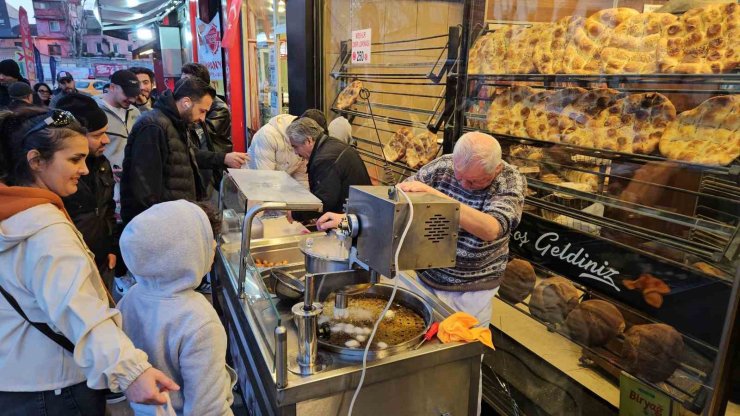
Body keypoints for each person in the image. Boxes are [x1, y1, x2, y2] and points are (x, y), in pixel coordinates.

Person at [0, 107, 179, 415]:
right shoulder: (46, 229)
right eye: (74, 159)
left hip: (17, 380)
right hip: (53, 388)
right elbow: (78, 306)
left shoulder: (12, 210)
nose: (84, 169)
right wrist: (132, 372)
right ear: (36, 161)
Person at [317, 132, 526, 325]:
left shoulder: (508, 180)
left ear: (496, 169)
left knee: (462, 348)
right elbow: (395, 199)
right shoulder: (443, 166)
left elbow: (491, 228)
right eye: (458, 175)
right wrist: (350, 219)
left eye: (473, 181)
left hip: (472, 289)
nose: (462, 183)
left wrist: (437, 197)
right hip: (427, 278)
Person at [118, 200, 237, 415]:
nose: (213, 246)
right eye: (207, 240)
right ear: (184, 251)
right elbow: (208, 409)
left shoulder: (131, 296)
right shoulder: (200, 320)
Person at [121, 77, 215, 225]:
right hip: (162, 225)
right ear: (186, 102)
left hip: (176, 217)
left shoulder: (177, 123)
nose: (203, 118)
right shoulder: (153, 126)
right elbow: (145, 189)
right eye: (202, 111)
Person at [56, 93, 119, 293]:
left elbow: (106, 209)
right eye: (97, 135)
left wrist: (110, 247)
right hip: (70, 272)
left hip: (101, 262)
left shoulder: (101, 163)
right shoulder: (55, 177)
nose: (106, 140)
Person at [181, 63, 247, 199]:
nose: (182, 86)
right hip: (202, 162)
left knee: (211, 204)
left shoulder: (218, 108)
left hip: (212, 167)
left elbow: (202, 133)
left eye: (187, 81)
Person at [286, 117, 371, 220]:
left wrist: (295, 214)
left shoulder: (325, 159)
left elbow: (323, 201)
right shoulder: (328, 144)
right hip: (359, 213)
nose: (295, 152)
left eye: (295, 146)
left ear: (309, 141)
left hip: (356, 218)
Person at [247, 113, 308, 187]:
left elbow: (301, 179)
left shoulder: (303, 140)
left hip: (277, 187)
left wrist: (306, 197)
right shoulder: (268, 135)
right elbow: (266, 179)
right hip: (253, 186)